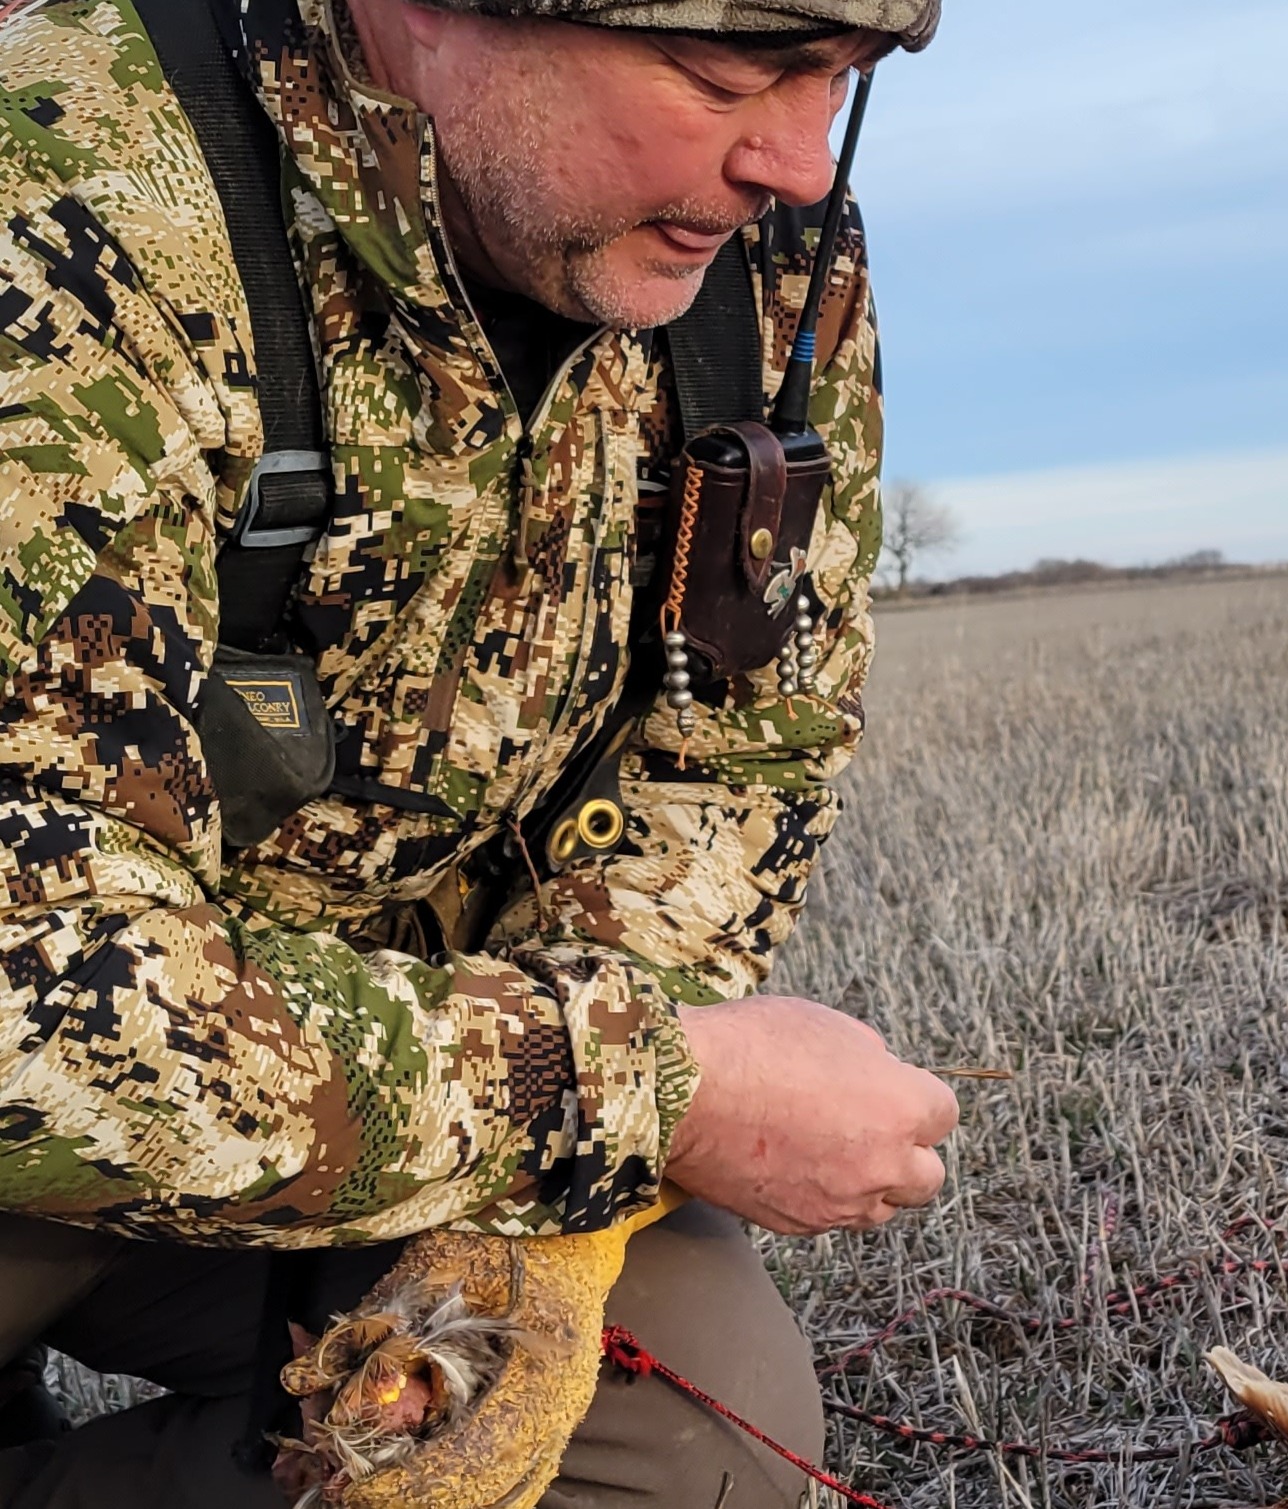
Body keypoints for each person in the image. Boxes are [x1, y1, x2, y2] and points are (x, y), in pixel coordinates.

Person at [0, 0, 959, 1501]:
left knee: (687, 1428)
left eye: (839, 81)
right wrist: (638, 1092)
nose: (796, 156)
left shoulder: (763, 256)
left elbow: (737, 759)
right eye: (722, 77)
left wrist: (521, 1231)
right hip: (54, 1101)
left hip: (369, 1119)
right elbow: (33, 990)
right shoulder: (62, 180)